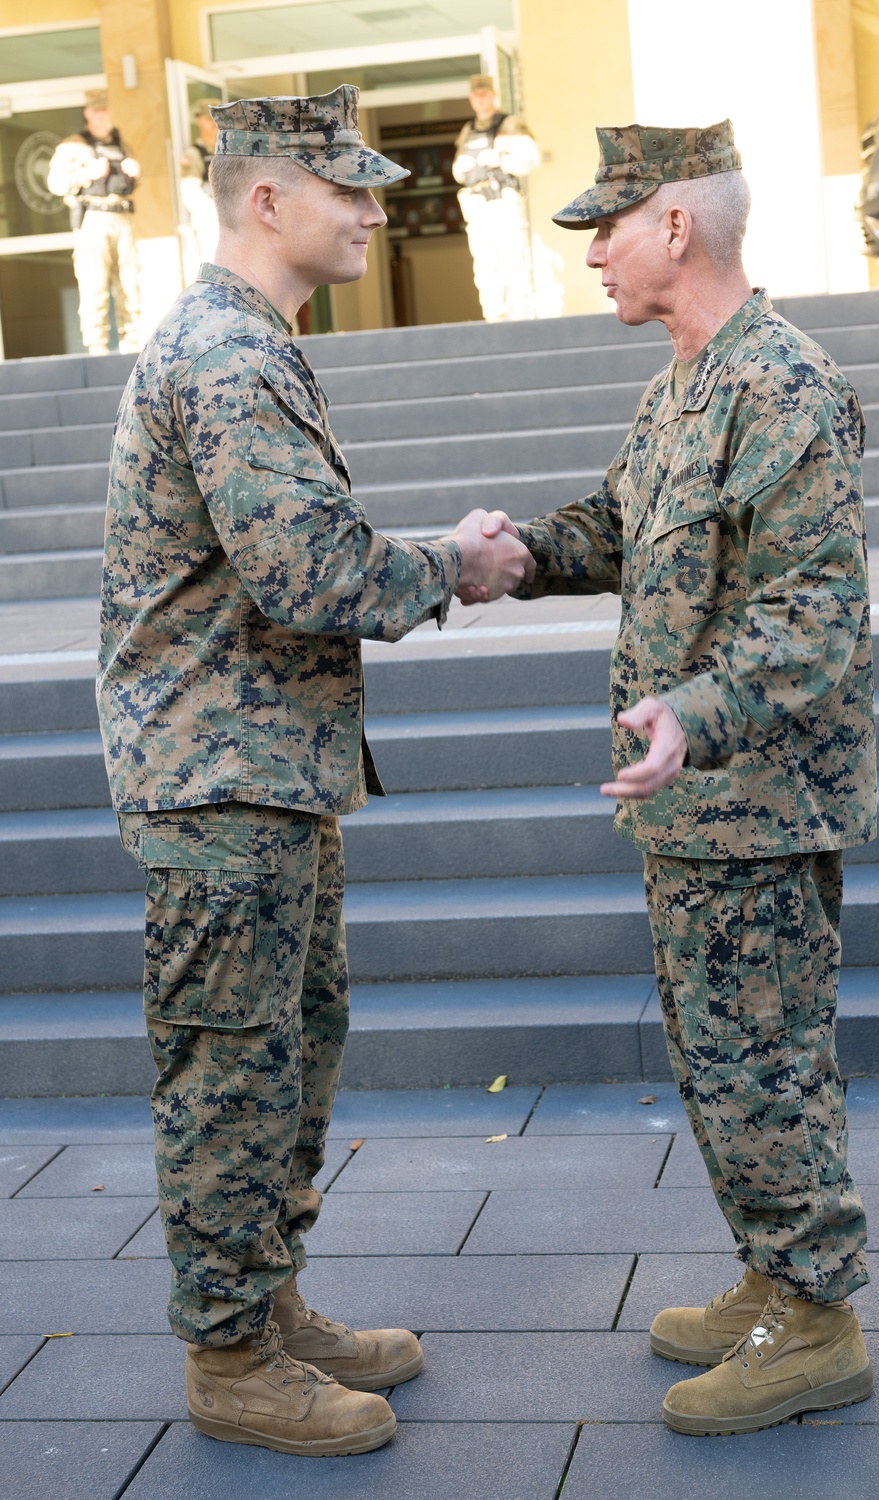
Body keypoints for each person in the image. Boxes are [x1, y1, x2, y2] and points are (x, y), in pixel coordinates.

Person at [97, 85, 534, 1458]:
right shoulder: (225, 357)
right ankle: (230, 1357)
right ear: (265, 198)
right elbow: (308, 572)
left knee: (288, 1055)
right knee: (233, 1070)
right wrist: (454, 566)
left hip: (260, 776)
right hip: (219, 787)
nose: (373, 204)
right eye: (343, 185)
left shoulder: (248, 344)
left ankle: (266, 1303)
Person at [471, 120, 877, 1436]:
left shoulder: (785, 388)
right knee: (719, 1058)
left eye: (607, 225)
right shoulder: (683, 385)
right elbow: (618, 528)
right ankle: (774, 1276)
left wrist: (694, 714)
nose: (591, 250)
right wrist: (513, 555)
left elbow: (813, 617)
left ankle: (815, 1319)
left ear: (677, 229)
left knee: (766, 1060)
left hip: (757, 804)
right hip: (692, 805)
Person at [47, 88, 142, 355]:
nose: (103, 116)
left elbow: (130, 182)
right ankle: (97, 348)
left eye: (106, 110)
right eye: (97, 110)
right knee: (95, 287)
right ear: (87, 113)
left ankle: (132, 345)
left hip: (122, 217)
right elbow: (55, 184)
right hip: (94, 221)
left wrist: (137, 173)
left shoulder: (120, 142)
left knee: (130, 283)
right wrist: (86, 173)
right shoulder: (73, 145)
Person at [452, 73, 540, 321]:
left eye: (484, 94)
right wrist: (463, 165)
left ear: (493, 95)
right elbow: (457, 171)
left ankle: (520, 316)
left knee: (512, 259)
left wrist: (500, 159)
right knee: (485, 264)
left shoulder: (509, 125)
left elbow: (531, 159)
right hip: (477, 205)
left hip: (502, 201)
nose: (480, 100)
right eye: (476, 95)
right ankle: (494, 317)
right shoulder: (468, 130)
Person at [178, 98, 220, 278]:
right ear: (199, 120)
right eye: (208, 117)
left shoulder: (230, 149)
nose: (213, 122)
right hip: (210, 220)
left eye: (217, 117)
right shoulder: (194, 153)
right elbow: (190, 193)